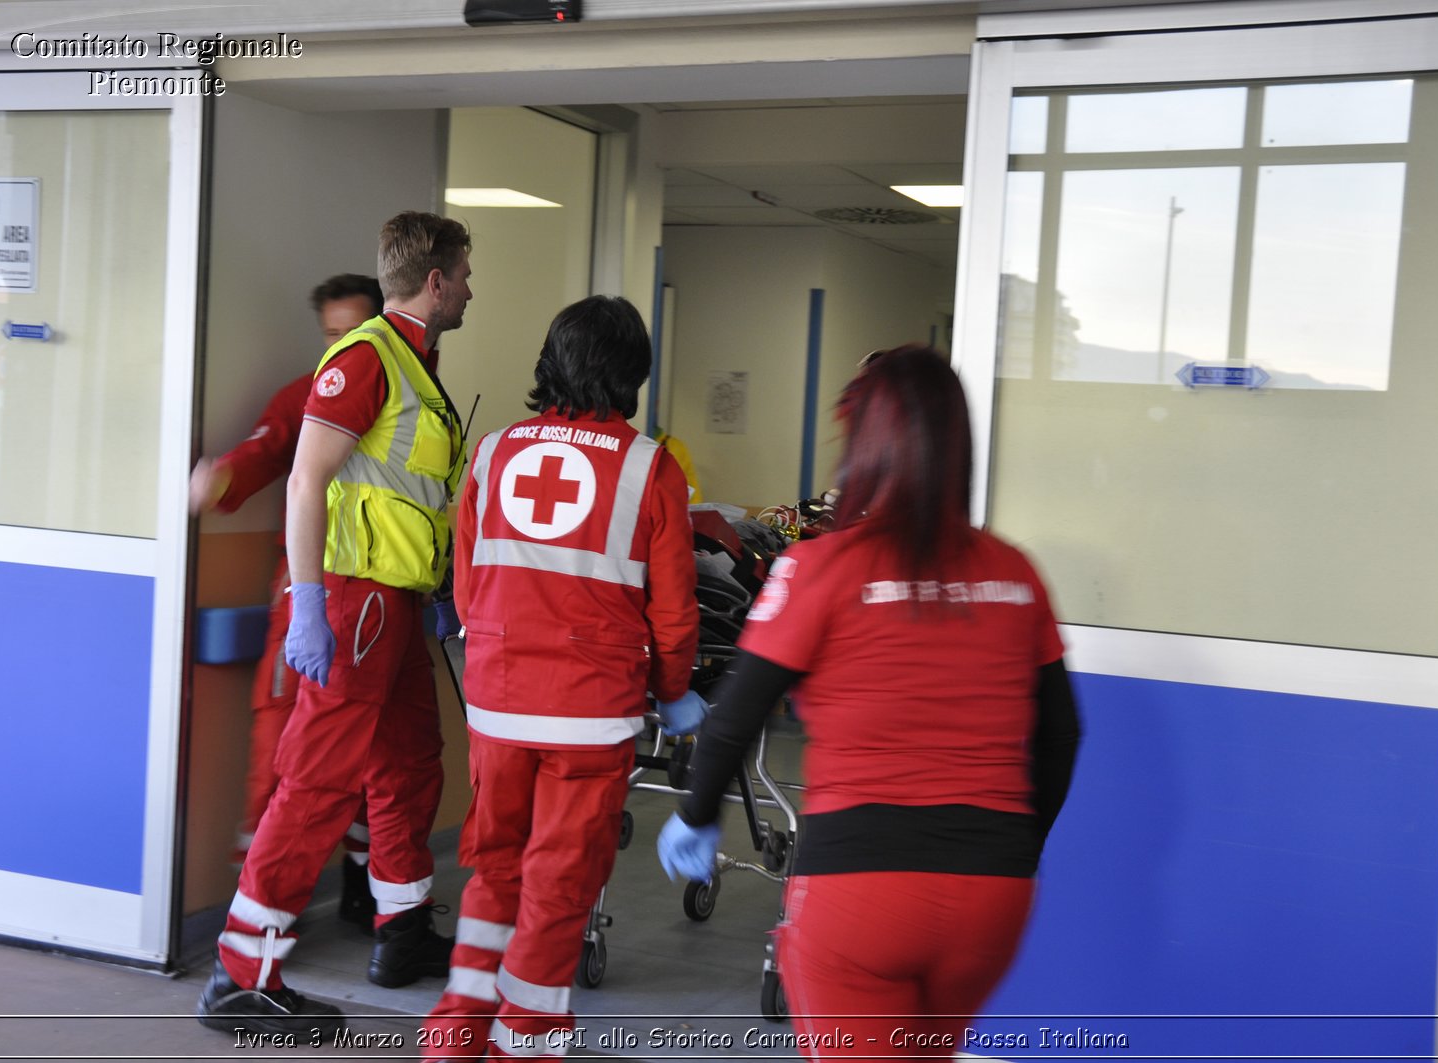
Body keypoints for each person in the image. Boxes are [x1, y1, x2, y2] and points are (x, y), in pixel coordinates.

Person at [657, 345, 1082, 1057]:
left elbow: (735, 717)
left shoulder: (819, 568)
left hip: (861, 890)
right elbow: (1062, 734)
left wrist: (696, 816)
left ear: (865, 444)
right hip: (992, 897)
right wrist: (1012, 849)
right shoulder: (1016, 573)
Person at [198, 212, 474, 1037]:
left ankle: (401, 929)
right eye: (463, 272)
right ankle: (243, 974)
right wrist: (310, 603)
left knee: (410, 766)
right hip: (353, 604)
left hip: (396, 606)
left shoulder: (415, 367)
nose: (469, 287)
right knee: (316, 783)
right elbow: (305, 479)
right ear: (434, 280)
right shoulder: (366, 359)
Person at [422, 296, 702, 1059]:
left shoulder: (491, 452)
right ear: (632, 374)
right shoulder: (651, 467)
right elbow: (674, 613)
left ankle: (455, 1032)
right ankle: (527, 1039)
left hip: (499, 704)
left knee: (493, 868)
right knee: (556, 883)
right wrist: (674, 694)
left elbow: (471, 587)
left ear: (551, 363)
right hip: (590, 715)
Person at [189, 273, 385, 931]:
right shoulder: (310, 394)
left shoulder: (415, 401)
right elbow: (266, 450)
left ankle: (367, 895)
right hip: (307, 591)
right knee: (279, 747)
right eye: (331, 333)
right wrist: (218, 482)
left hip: (383, 602)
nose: (341, 345)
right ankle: (259, 921)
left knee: (379, 756)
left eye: (354, 331)